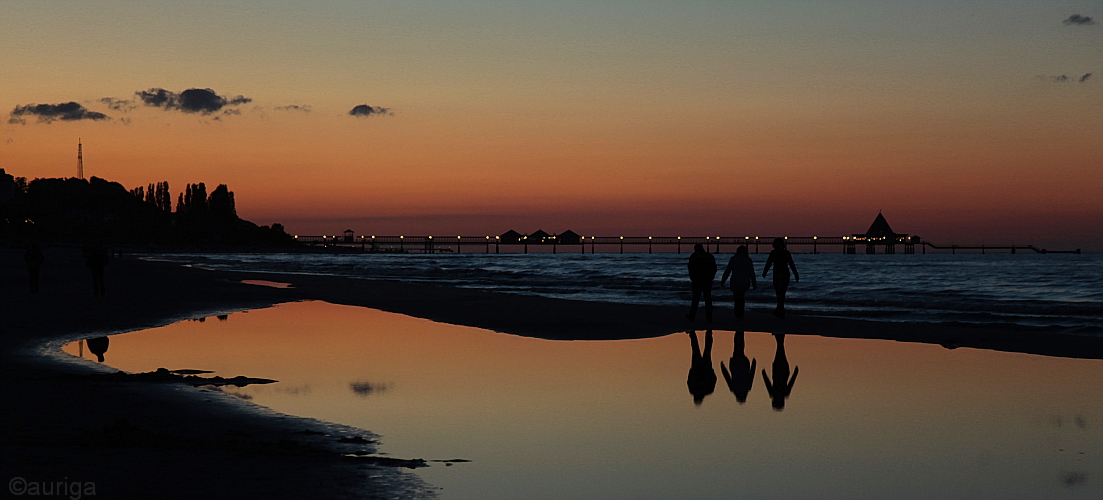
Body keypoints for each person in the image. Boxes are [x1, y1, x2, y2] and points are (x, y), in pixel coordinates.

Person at [762, 238, 798, 319]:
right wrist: (795, 274)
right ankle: (780, 310)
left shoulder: (774, 253)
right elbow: (791, 264)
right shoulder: (786, 253)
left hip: (778, 274)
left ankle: (779, 310)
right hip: (785, 274)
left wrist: (765, 272)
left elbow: (769, 263)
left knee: (779, 293)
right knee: (782, 293)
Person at [762, 333, 798, 411]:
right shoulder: (782, 393)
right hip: (781, 372)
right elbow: (791, 383)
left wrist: (764, 375)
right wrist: (795, 373)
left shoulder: (777, 393)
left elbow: (768, 383)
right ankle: (779, 335)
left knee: (780, 351)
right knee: (780, 351)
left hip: (780, 372)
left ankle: (779, 336)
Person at [720, 245, 756, 320]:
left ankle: (737, 314)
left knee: (736, 299)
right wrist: (754, 283)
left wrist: (723, 280)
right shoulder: (748, 259)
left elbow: (728, 270)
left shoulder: (733, 259)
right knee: (742, 298)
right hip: (744, 281)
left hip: (735, 281)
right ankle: (741, 314)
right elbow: (751, 272)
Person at [720, 330, 756, 403]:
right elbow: (727, 376)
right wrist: (722, 367)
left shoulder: (747, 387)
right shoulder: (733, 388)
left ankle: (740, 333)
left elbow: (751, 375)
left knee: (739, 349)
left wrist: (754, 364)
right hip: (736, 366)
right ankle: (739, 333)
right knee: (737, 348)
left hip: (742, 366)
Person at [685, 243, 717, 322]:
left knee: (695, 299)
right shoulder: (709, 256)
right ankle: (709, 317)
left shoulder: (694, 256)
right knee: (708, 299)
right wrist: (711, 277)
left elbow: (690, 267)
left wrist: (692, 277)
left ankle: (692, 316)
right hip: (707, 280)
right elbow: (714, 268)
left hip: (697, 280)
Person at [686, 330, 716, 405]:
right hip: (699, 368)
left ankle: (708, 332)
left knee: (706, 350)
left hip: (701, 368)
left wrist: (711, 371)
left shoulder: (708, 390)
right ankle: (693, 333)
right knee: (696, 349)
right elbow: (689, 380)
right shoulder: (695, 390)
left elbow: (714, 379)